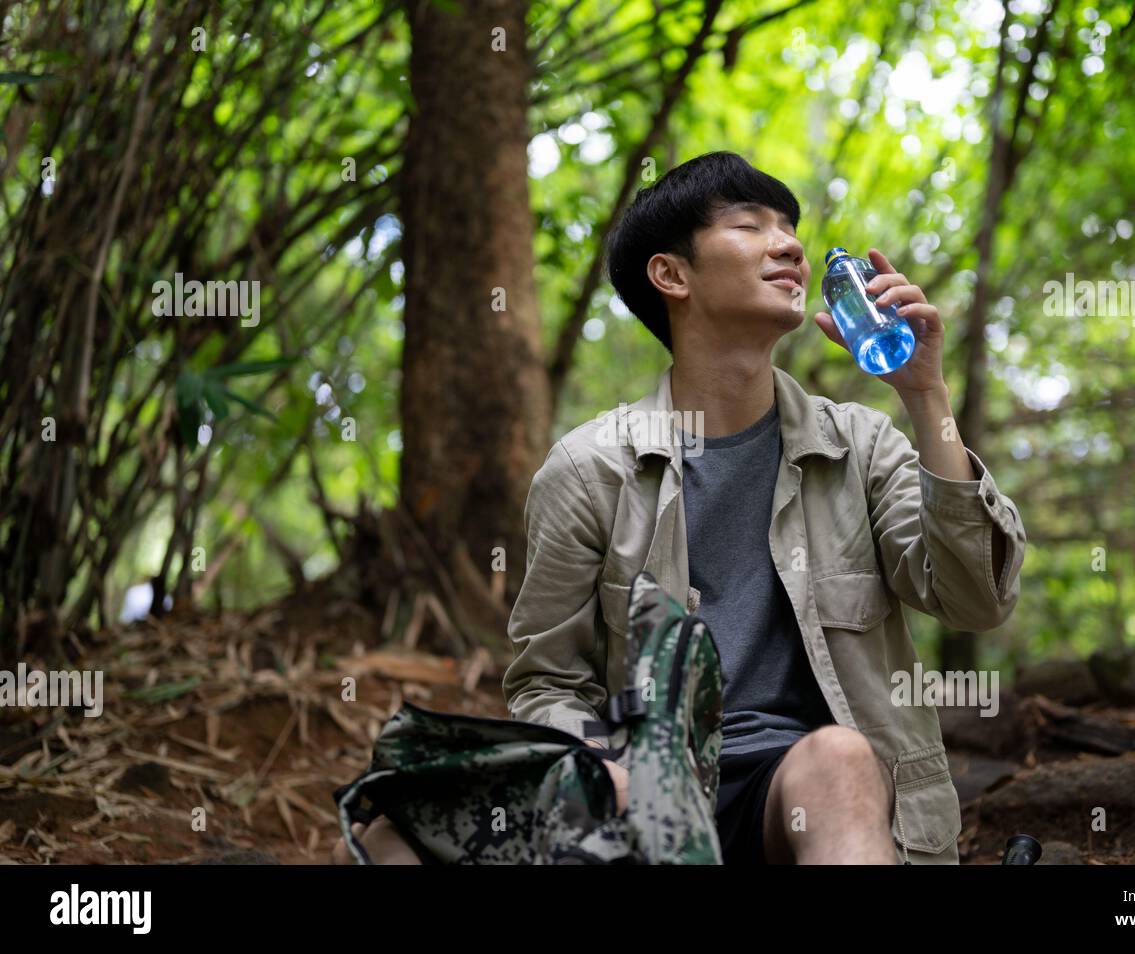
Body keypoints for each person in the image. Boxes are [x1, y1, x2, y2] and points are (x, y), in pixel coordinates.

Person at [335, 150, 1026, 865]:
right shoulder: (589, 470)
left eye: (789, 227)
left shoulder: (858, 445)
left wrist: (926, 397)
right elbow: (549, 681)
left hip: (807, 798)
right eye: (750, 226)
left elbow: (977, 599)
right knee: (393, 831)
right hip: (649, 798)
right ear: (671, 275)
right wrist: (605, 772)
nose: (788, 244)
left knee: (842, 760)